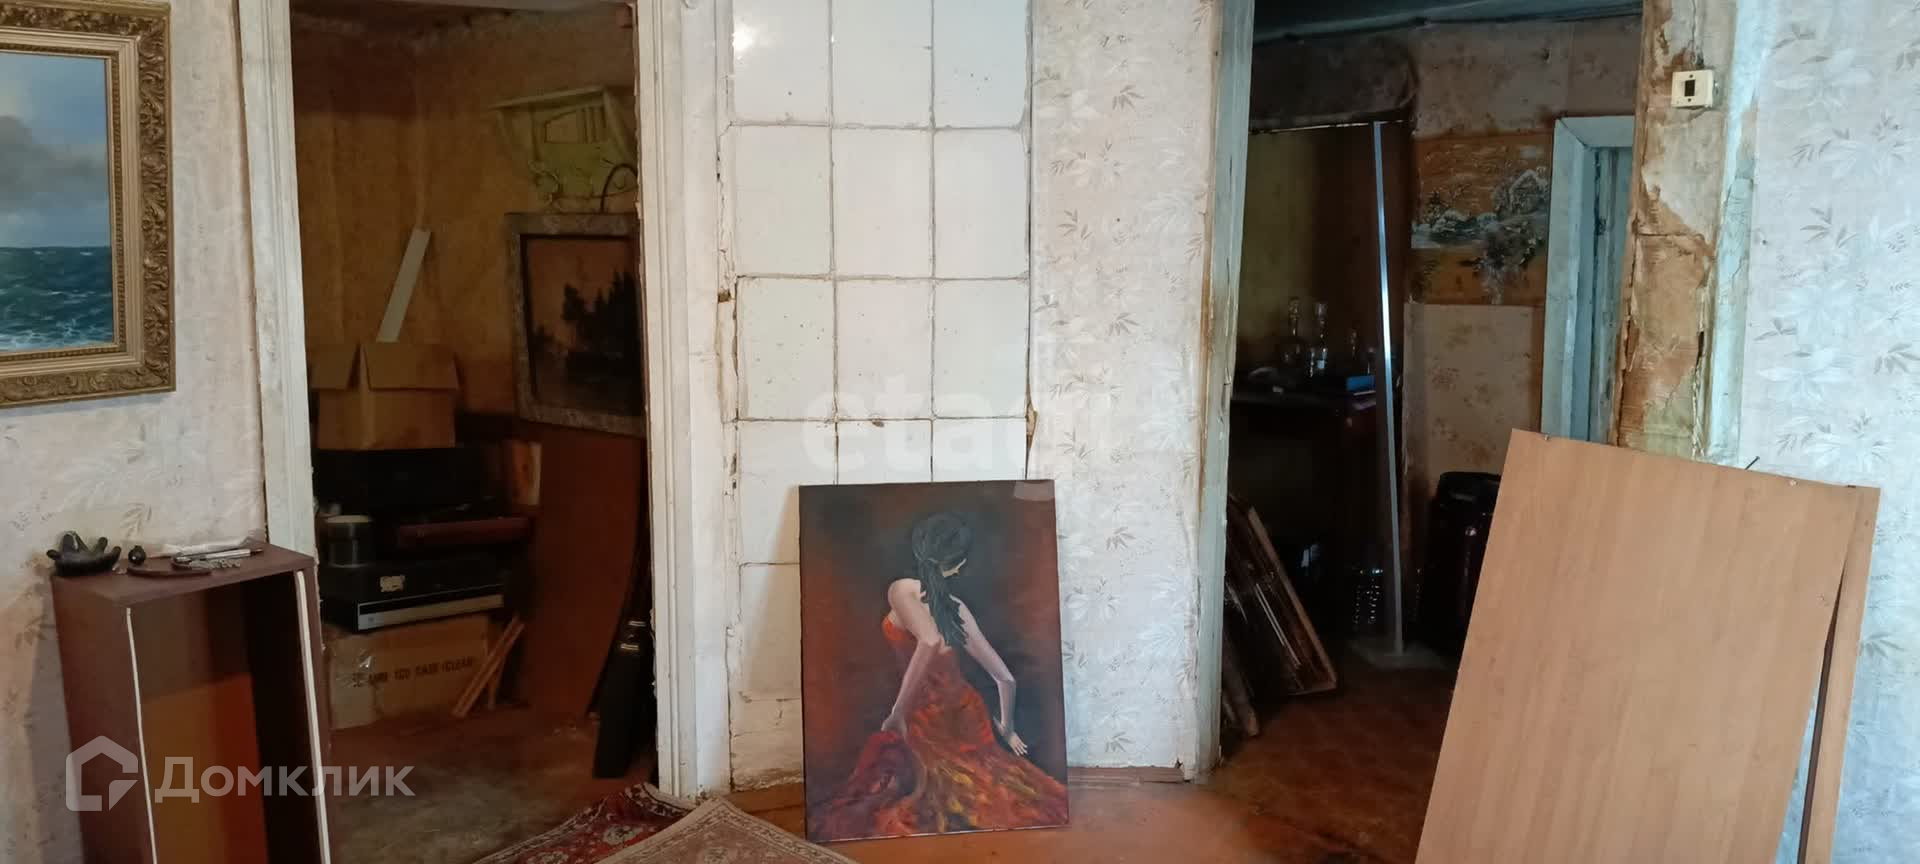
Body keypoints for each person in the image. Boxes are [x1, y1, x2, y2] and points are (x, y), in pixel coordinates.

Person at [810, 512, 1068, 841]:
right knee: (979, 786)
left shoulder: (901, 590)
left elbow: (929, 641)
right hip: (963, 709)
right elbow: (1005, 679)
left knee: (946, 793)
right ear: (958, 565)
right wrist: (1006, 726)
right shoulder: (955, 607)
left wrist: (898, 712)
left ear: (920, 548)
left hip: (927, 716)